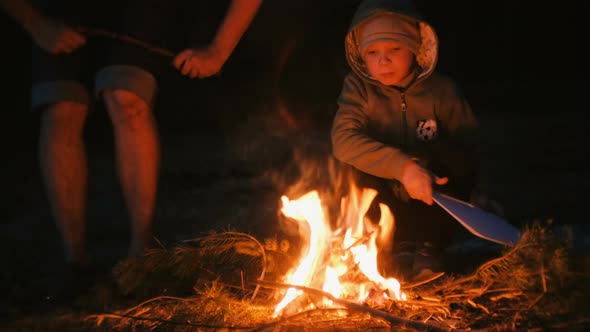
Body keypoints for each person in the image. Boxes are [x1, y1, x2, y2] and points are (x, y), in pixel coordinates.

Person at [0, 0, 262, 298]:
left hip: (141, 10)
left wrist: (219, 49)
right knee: (61, 107)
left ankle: (141, 258)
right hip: (59, 9)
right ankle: (75, 263)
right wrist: (35, 22)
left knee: (126, 96)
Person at [331, 0, 494, 281]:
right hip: (382, 184)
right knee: (353, 167)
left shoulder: (441, 90)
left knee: (449, 170)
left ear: (416, 49)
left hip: (430, 193)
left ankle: (428, 248)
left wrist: (483, 191)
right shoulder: (359, 89)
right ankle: (381, 247)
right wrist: (402, 167)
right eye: (372, 52)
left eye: (394, 49)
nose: (383, 60)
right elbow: (343, 139)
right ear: (360, 54)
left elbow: (470, 144)